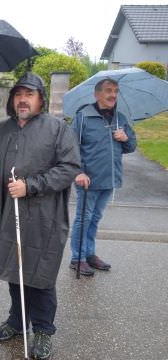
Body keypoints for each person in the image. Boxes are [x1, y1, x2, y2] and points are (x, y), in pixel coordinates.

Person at [0, 72, 80, 359]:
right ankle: (18, 322)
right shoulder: (0, 130)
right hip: (7, 215)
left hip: (44, 218)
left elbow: (69, 167)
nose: (23, 99)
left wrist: (31, 186)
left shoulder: (57, 130)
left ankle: (44, 330)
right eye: (18, 94)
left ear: (41, 99)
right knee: (15, 269)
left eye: (29, 94)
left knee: (41, 274)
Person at [69, 78, 136, 276]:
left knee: (95, 218)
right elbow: (72, 148)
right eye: (108, 90)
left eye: (116, 90)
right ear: (97, 94)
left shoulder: (120, 118)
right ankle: (77, 258)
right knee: (84, 218)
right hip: (88, 179)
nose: (113, 94)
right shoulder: (83, 117)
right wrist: (78, 172)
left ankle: (89, 254)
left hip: (110, 178)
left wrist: (126, 138)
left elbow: (131, 146)